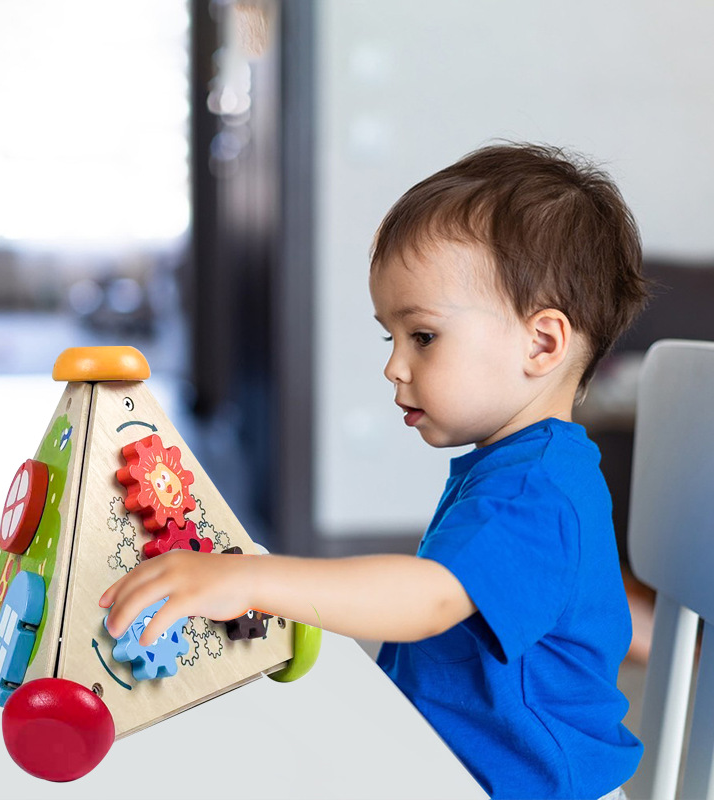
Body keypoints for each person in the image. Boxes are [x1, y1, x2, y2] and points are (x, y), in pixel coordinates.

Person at [101, 143, 648, 800]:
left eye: (421, 336)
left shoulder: (537, 492)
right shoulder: (521, 465)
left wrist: (250, 576)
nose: (394, 365)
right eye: (389, 337)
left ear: (542, 343)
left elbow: (427, 600)